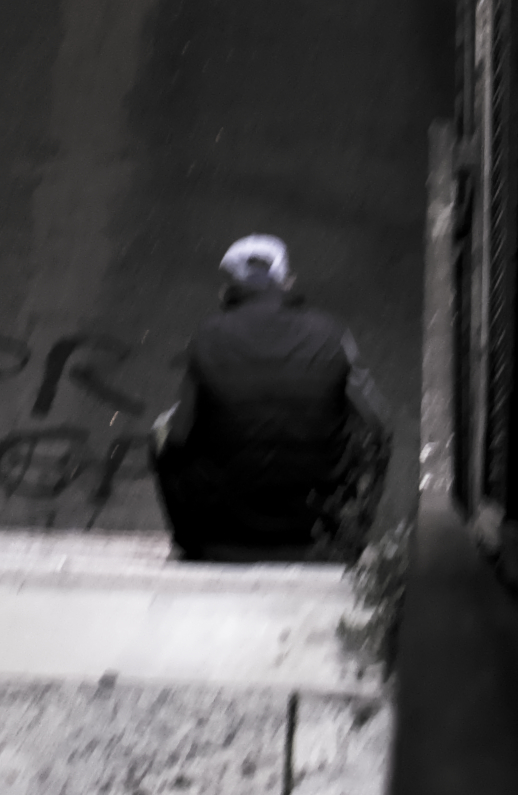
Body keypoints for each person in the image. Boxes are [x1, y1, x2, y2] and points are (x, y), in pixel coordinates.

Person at [150, 235, 392, 563]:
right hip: (319, 538)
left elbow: (177, 436)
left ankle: (191, 542)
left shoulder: (207, 336)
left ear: (228, 290)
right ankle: (350, 537)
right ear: (286, 282)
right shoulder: (331, 333)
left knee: (160, 430)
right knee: (370, 438)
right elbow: (379, 426)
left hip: (224, 540)